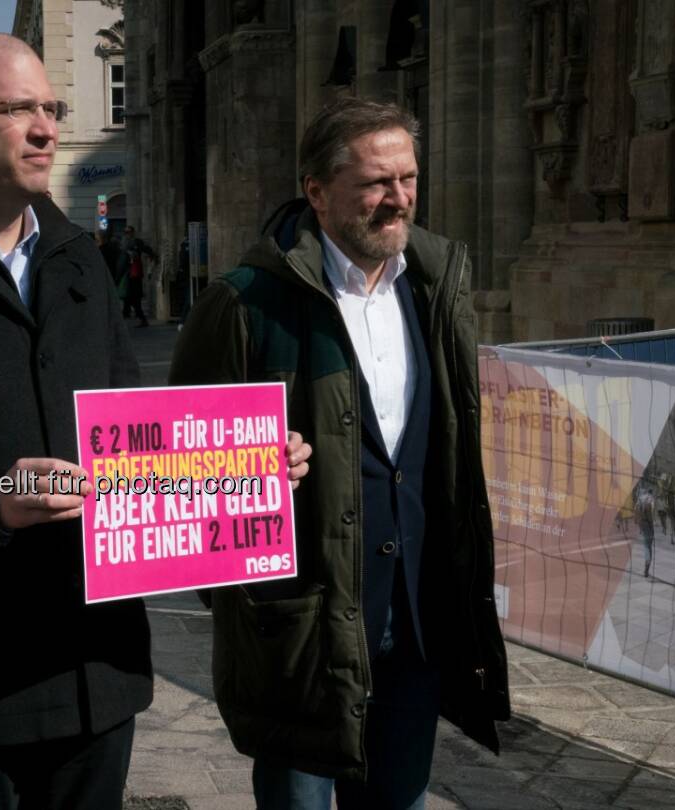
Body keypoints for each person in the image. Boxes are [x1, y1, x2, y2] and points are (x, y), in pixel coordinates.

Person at [0, 34, 306, 810]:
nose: (45, 128)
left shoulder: (79, 257)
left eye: (51, 107)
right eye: (16, 109)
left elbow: (132, 438)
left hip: (96, 668)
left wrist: (241, 469)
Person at [169, 97, 509, 809]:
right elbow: (176, 477)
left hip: (417, 615)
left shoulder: (436, 287)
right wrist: (246, 476)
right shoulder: (245, 303)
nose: (398, 199)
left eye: (408, 178)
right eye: (376, 182)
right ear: (317, 192)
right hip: (303, 633)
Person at [118, 225, 155, 327]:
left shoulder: (135, 243)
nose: (127, 234)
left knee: (133, 298)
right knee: (129, 297)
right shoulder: (124, 244)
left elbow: (146, 249)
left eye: (129, 232)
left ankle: (140, 317)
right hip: (130, 275)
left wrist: (152, 255)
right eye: (125, 232)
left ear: (133, 232)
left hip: (134, 275)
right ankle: (127, 313)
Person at [636, 487, 657, 577]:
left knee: (646, 544)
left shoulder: (640, 498)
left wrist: (638, 523)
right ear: (651, 492)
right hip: (649, 524)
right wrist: (653, 521)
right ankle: (647, 568)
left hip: (642, 523)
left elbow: (636, 510)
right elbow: (652, 509)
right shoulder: (651, 499)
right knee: (648, 546)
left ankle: (646, 567)